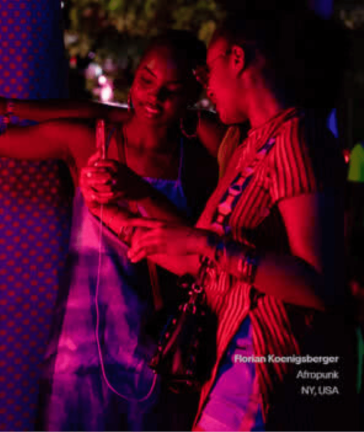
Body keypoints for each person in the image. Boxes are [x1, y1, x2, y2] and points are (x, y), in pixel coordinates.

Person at [0, 30, 222, 430]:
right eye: (146, 80)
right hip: (81, 347)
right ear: (133, 76)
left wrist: (139, 192)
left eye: (172, 89)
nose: (154, 97)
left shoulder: (199, 156)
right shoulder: (88, 139)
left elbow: (204, 251)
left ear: (194, 91)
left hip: (163, 349)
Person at [88, 9, 357, 430]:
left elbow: (318, 282)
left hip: (274, 363)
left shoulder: (296, 137)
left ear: (236, 58)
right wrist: (112, 214)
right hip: (234, 360)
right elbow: (206, 263)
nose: (205, 86)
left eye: (207, 69)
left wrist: (208, 245)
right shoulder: (248, 147)